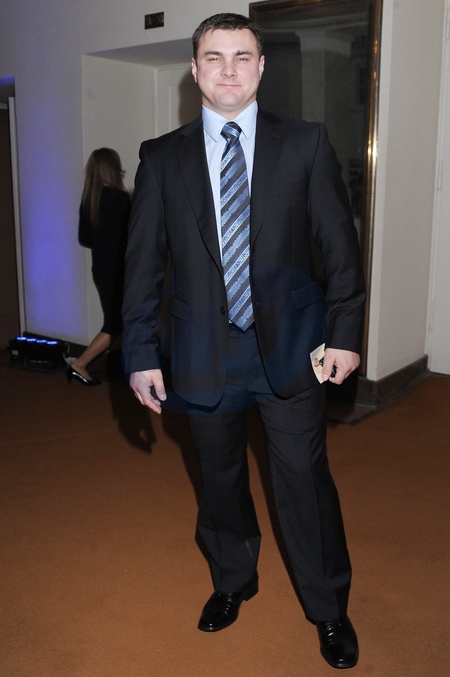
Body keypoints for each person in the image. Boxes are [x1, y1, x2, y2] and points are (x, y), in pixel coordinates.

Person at [121, 13, 366, 670]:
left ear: (261, 66)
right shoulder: (161, 157)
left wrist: (345, 334)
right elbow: (142, 266)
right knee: (220, 478)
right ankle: (233, 578)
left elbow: (341, 251)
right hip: (200, 354)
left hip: (293, 349)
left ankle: (328, 606)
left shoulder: (306, 144)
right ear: (194, 69)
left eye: (241, 56)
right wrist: (139, 353)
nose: (227, 68)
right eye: (213, 56)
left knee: (304, 481)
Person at [67, 148, 131, 386]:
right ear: (113, 169)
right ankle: (80, 364)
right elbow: (132, 237)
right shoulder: (119, 199)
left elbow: (84, 239)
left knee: (116, 321)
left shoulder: (89, 200)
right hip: (120, 271)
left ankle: (84, 365)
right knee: (116, 324)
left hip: (101, 270)